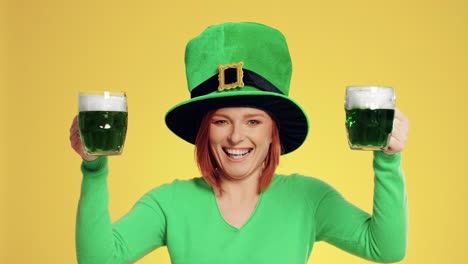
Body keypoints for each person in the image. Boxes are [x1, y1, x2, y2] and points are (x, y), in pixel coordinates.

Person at [69, 22, 410, 264]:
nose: (236, 136)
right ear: (205, 132)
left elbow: (386, 248)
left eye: (253, 121)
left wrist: (388, 161)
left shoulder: (309, 199)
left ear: (272, 131)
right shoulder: (168, 203)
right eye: (221, 121)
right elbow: (98, 258)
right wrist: (94, 168)